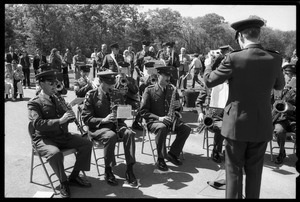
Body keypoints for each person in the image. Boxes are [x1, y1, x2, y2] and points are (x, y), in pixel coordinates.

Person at [203, 18, 285, 198]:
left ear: (240, 36)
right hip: (261, 124)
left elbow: (209, 81)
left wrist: (209, 63)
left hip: (236, 126)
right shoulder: (275, 58)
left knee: (233, 173)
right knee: (255, 173)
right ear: (258, 34)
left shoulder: (233, 58)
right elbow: (279, 86)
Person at [28, 70, 93, 198]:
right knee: (55, 154)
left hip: (62, 135)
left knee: (86, 143)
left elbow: (65, 119)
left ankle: (74, 177)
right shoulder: (34, 102)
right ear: (41, 84)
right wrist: (60, 120)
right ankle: (64, 182)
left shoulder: (58, 98)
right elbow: (37, 124)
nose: (54, 86)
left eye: (55, 83)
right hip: (44, 138)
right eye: (50, 83)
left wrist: (69, 115)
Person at [81, 70, 138, 187]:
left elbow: (123, 117)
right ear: (101, 81)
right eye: (108, 84)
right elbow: (86, 119)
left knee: (130, 133)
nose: (112, 87)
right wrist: (103, 120)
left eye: (113, 84)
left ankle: (130, 169)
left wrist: (127, 112)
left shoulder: (117, 94)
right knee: (110, 136)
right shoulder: (91, 95)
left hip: (117, 125)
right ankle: (108, 170)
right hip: (99, 128)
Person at [140, 66, 191, 171]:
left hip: (170, 120)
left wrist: (179, 106)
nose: (168, 78)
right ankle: (160, 159)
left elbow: (178, 109)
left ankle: (173, 153)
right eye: (166, 76)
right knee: (162, 128)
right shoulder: (149, 90)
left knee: (186, 128)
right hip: (154, 121)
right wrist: (160, 118)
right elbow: (143, 111)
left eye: (169, 76)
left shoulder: (172, 89)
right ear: (158, 76)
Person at [195, 81, 228, 163]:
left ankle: (229, 151)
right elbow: (198, 102)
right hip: (212, 118)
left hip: (227, 116)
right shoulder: (209, 85)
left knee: (235, 125)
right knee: (223, 127)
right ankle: (215, 151)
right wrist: (200, 113)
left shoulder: (230, 84)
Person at [272, 63, 296, 164]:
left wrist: (293, 107)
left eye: (291, 74)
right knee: (279, 131)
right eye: (286, 74)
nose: (288, 76)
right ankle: (282, 153)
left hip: (294, 118)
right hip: (281, 118)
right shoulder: (277, 87)